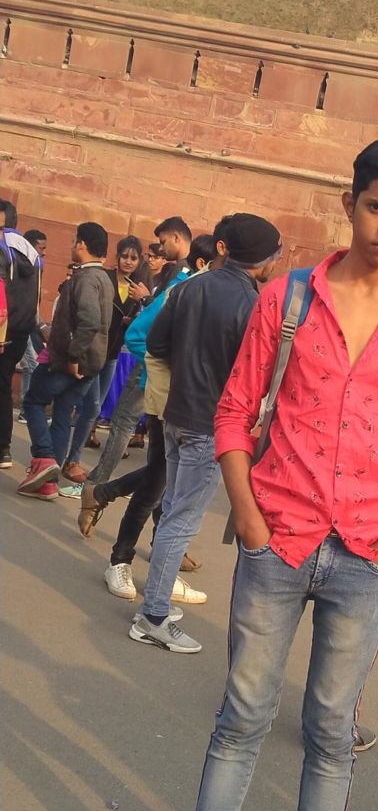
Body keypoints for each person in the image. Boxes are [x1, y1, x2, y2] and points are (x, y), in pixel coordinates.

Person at [194, 138, 378, 810]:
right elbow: (234, 412)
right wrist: (247, 516)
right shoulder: (289, 300)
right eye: (376, 208)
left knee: (332, 732)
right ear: (350, 204)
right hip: (277, 536)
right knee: (242, 720)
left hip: (366, 552)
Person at [129, 214, 282, 651]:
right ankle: (153, 616)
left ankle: (156, 601)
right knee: (181, 519)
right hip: (210, 423)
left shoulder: (191, 286)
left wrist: (189, 370)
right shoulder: (251, 303)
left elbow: (156, 344)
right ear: (263, 258)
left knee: (173, 510)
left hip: (176, 413)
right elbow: (255, 373)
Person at [80, 233, 226, 603]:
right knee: (157, 485)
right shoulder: (183, 291)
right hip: (168, 403)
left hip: (197, 406)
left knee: (171, 486)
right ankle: (120, 560)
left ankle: (162, 566)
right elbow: (138, 335)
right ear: (210, 261)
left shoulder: (218, 293)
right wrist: (168, 371)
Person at [77, 216, 194, 493]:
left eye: (164, 242)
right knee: (157, 435)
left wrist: (145, 301)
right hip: (164, 361)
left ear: (176, 238)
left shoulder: (181, 276)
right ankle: (143, 493)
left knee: (124, 422)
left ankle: (96, 486)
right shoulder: (187, 275)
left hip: (154, 359)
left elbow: (159, 318)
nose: (161, 249)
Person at [18, 223, 113, 500]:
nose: (72, 245)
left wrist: (73, 356)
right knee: (61, 415)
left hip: (69, 361)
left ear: (82, 244)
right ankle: (48, 483)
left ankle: (44, 458)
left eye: (74, 241)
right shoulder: (104, 279)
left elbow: (90, 321)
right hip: (90, 364)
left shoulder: (86, 279)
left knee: (33, 402)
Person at [62, 235, 151, 484]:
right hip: (93, 351)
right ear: (117, 257)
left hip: (112, 355)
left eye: (133, 258)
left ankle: (71, 458)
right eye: (124, 256)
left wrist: (134, 316)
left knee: (93, 408)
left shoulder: (138, 288)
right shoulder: (105, 279)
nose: (128, 262)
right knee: (85, 406)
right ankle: (67, 458)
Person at [0, 201, 42, 469]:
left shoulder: (2, 244)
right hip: (22, 327)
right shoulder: (31, 250)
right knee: (4, 385)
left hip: (4, 326)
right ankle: (4, 448)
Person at [17, 229, 48, 424]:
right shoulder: (22, 265)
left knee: (32, 364)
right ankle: (25, 409)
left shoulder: (35, 265)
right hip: (21, 322)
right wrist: (41, 324)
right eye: (40, 248)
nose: (43, 252)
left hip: (27, 323)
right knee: (32, 365)